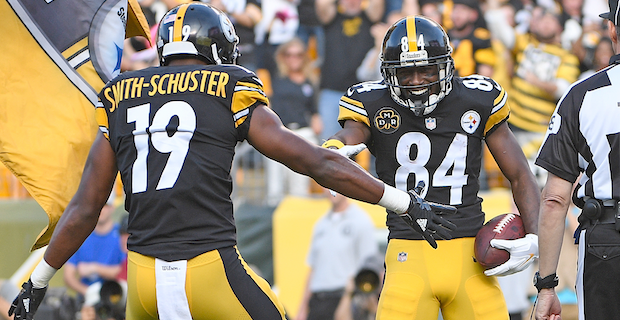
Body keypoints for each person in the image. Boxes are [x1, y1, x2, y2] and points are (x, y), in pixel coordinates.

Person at [8, 4, 458, 320]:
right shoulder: (228, 85)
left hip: (142, 280)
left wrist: (39, 280)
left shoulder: (121, 95)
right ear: (218, 48)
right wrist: (406, 204)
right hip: (208, 270)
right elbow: (315, 163)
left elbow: (87, 207)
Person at [326, 16, 541, 319]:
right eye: (405, 72)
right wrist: (334, 147)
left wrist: (535, 236)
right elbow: (350, 136)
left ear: (445, 66)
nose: (416, 81)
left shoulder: (476, 98)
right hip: (407, 252)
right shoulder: (371, 102)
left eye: (425, 69)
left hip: (470, 255)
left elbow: (519, 174)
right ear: (388, 74)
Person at [534, 0, 620, 318]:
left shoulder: (582, 95)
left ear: (611, 29)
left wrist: (546, 284)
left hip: (607, 240)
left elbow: (555, 199)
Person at [295, 190, 379, 320]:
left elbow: (369, 266)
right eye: (327, 186)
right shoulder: (320, 224)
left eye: (334, 186)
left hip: (345, 300)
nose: (330, 191)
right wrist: (302, 309)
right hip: (317, 302)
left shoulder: (361, 220)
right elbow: (313, 269)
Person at [315, 0, 385, 141]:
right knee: (330, 145)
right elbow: (322, 4)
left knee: (368, 147)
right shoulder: (332, 18)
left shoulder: (369, 17)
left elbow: (377, 4)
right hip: (332, 91)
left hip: (363, 94)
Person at [265, 38, 321, 206]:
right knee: (275, 185)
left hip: (302, 132)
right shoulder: (276, 77)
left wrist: (316, 121)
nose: (293, 58)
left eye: (298, 55)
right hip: (279, 132)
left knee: (299, 186)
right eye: (288, 55)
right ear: (283, 57)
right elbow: (263, 48)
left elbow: (315, 112)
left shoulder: (310, 81)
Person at [63, 194, 125, 297]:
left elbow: (125, 270)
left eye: (105, 205)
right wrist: (89, 292)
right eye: (97, 205)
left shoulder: (122, 235)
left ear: (112, 207)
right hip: (86, 299)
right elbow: (68, 276)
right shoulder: (80, 236)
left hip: (114, 298)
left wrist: (95, 268)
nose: (101, 209)